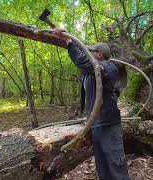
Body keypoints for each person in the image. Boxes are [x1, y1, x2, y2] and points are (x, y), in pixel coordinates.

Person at [55, 29, 130, 180]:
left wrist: (69, 43)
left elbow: (84, 62)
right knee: (101, 165)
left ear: (99, 55)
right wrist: (66, 37)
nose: (89, 54)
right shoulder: (89, 73)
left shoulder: (108, 67)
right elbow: (85, 68)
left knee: (116, 163)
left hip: (109, 124)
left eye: (92, 52)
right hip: (95, 124)